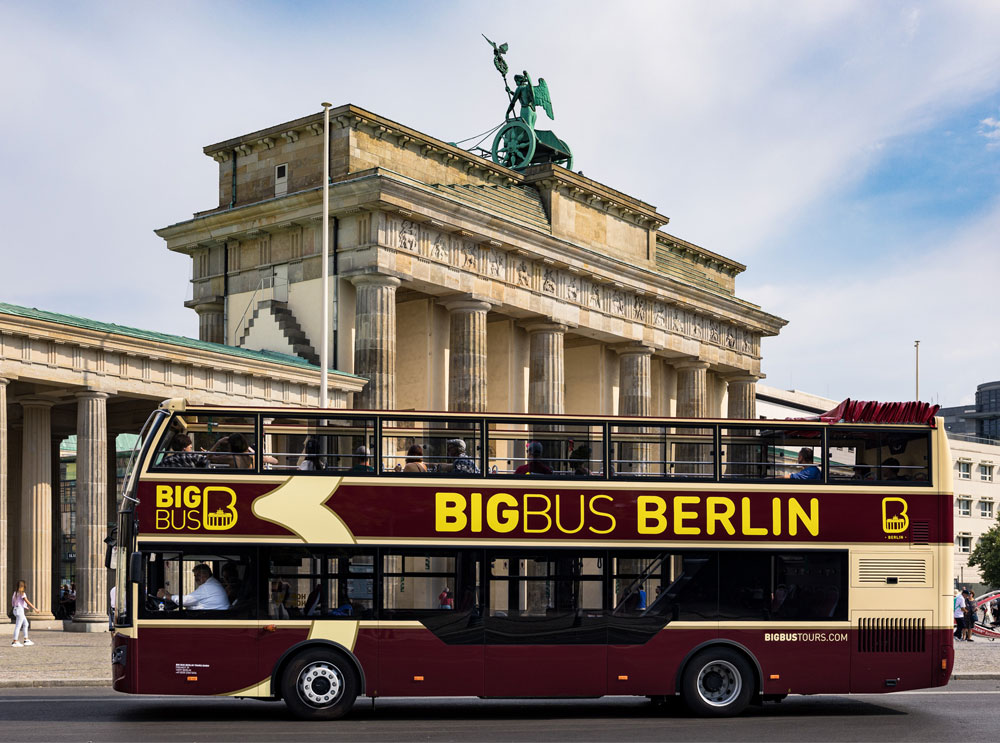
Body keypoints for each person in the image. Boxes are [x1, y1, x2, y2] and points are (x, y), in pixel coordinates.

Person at [157, 564, 229, 610]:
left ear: (206, 574)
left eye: (198, 575)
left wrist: (165, 596)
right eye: (195, 576)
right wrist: (171, 596)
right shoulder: (212, 584)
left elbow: (184, 601)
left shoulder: (207, 587)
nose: (196, 578)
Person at [11, 580, 37, 647]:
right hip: (20, 610)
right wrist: (34, 608)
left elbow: (14, 603)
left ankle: (26, 639)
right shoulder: (22, 593)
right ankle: (15, 641)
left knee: (26, 624)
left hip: (16, 609)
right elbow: (27, 601)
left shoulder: (15, 593)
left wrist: (24, 607)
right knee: (18, 626)